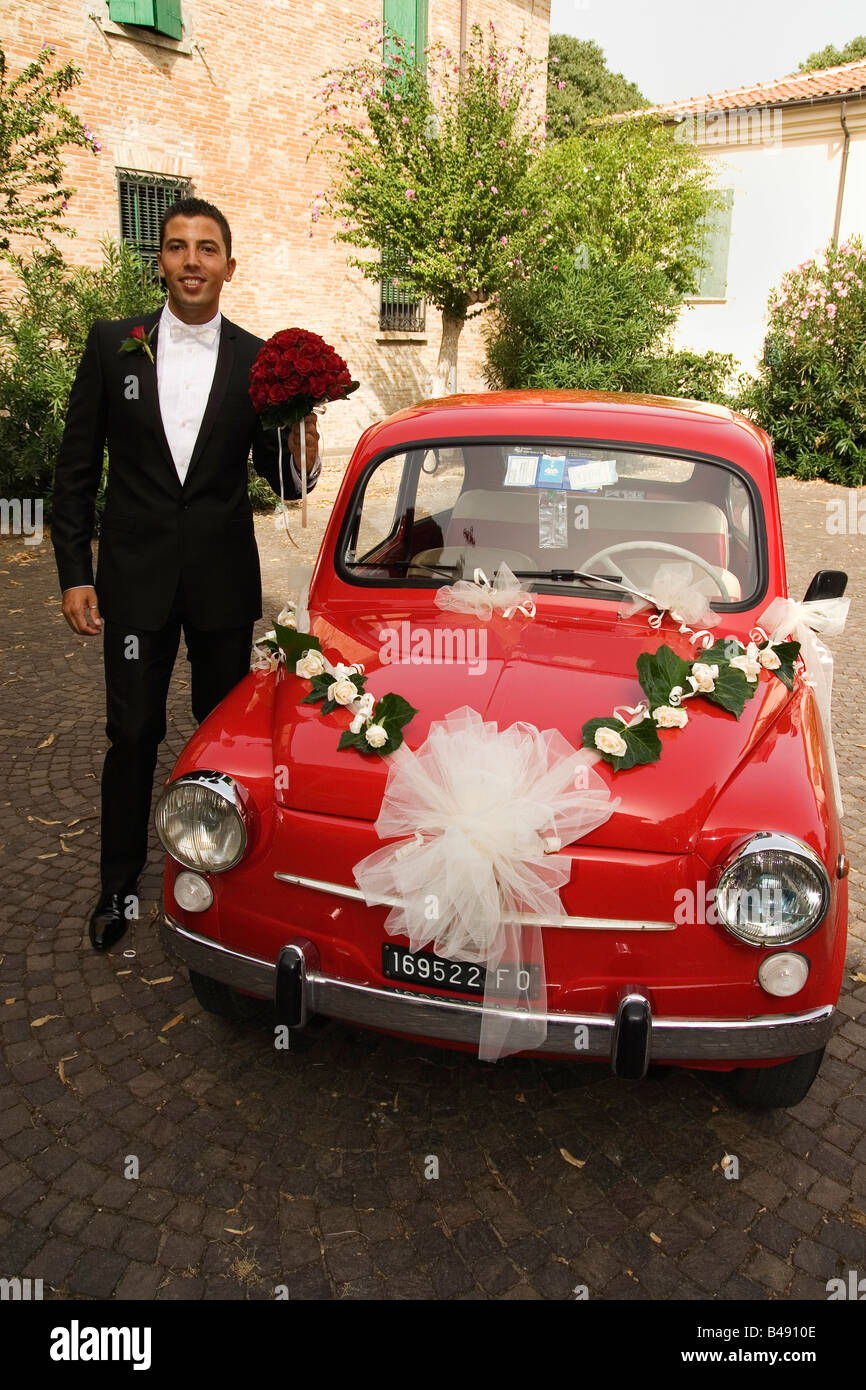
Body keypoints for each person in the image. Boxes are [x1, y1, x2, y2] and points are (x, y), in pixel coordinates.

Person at [51, 196, 320, 952]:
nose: (192, 261)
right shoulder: (114, 346)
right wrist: (76, 570)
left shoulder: (262, 360)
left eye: (207, 248)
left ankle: (219, 877)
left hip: (221, 584)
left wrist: (303, 435)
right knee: (131, 731)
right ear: (160, 260)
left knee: (222, 733)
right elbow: (75, 470)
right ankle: (117, 886)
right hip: (132, 581)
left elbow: (286, 482)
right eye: (177, 247)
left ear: (230, 266)